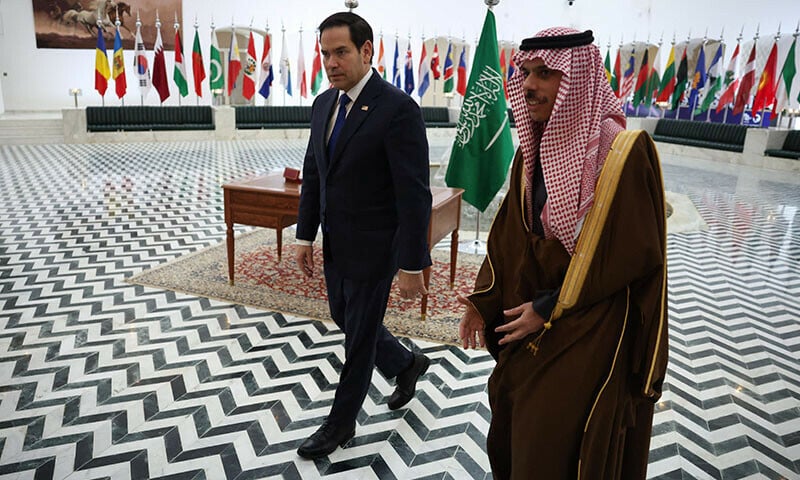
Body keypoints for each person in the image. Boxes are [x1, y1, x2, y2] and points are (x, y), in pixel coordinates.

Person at [457, 27, 669, 479]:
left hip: (593, 324)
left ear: (578, 80)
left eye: (546, 73)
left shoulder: (623, 154)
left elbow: (632, 254)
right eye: (526, 72)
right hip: (536, 318)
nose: (529, 84)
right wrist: (483, 301)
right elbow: (510, 235)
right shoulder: (530, 150)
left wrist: (551, 306)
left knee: (552, 439)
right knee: (511, 421)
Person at [294, 11, 432, 460]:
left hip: (377, 248)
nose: (331, 63)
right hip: (337, 242)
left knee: (357, 339)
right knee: (345, 316)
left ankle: (340, 425)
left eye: (341, 52)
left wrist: (412, 264)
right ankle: (406, 364)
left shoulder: (397, 109)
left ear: (367, 51)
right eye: (325, 54)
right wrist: (304, 235)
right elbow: (315, 174)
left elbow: (414, 195)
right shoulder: (322, 105)